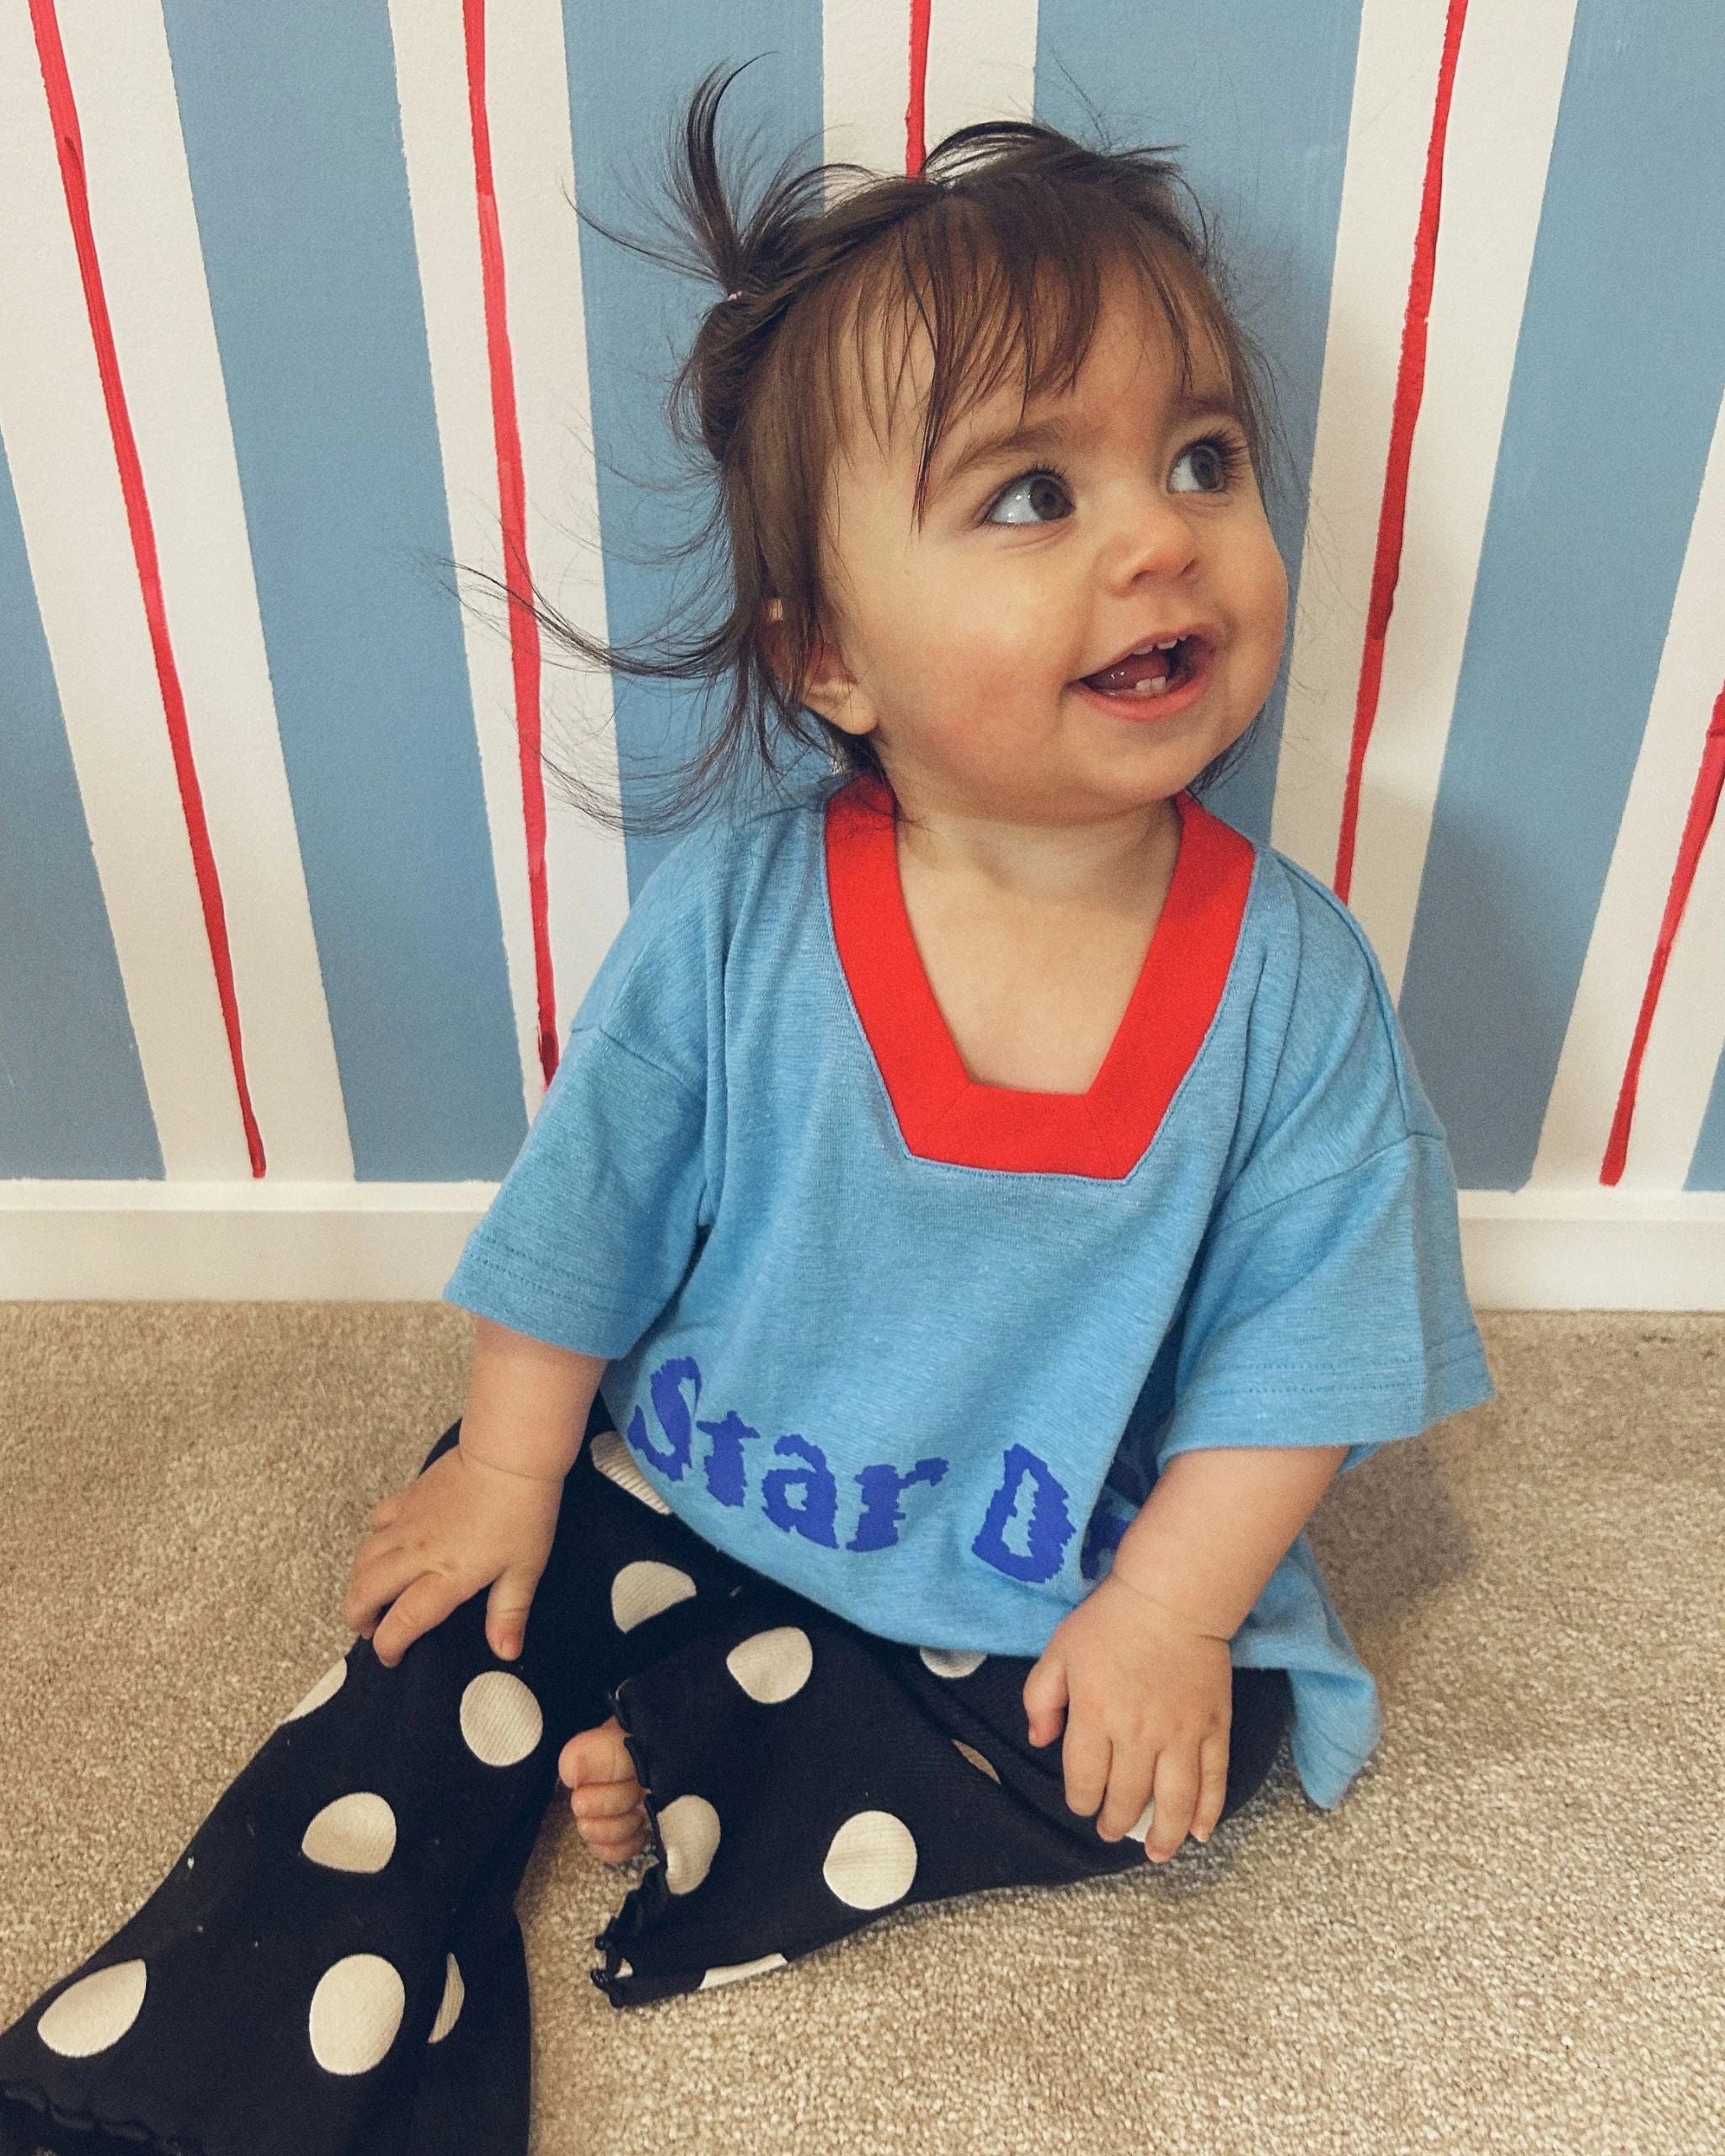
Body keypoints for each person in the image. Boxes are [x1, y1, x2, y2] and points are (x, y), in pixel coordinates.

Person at [0, 60, 1493, 2156]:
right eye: (1032, 494)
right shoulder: (742, 923)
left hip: (1031, 1569)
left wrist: (1163, 1608)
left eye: (1203, 455)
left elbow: (1302, 1346)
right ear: (829, 662)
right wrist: (516, 1467)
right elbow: (587, 1212)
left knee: (1187, 1741)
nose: (1160, 531)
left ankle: (724, 1758)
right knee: (439, 1650)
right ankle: (179, 2078)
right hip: (685, 1487)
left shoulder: (1294, 992)